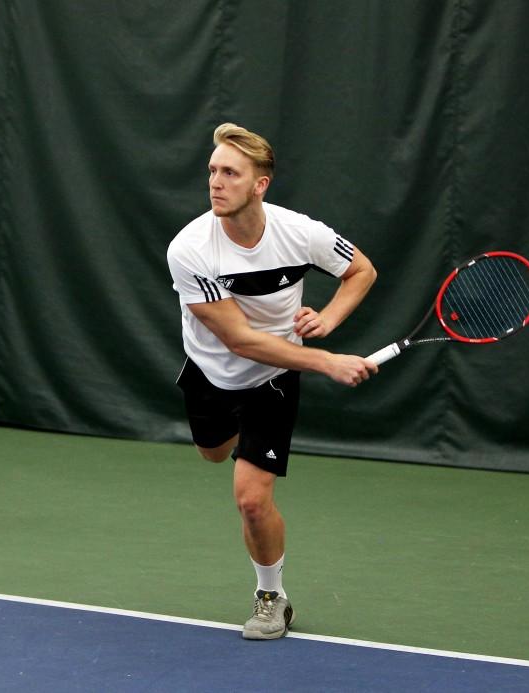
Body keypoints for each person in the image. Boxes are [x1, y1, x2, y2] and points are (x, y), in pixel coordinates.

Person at [166, 123, 378, 640]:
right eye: (213, 170)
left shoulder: (300, 232)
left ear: (260, 184)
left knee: (251, 499)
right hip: (211, 371)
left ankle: (271, 596)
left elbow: (362, 271)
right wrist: (328, 360)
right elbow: (240, 340)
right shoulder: (190, 248)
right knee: (214, 454)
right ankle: (242, 445)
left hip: (275, 379)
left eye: (230, 173)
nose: (216, 181)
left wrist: (327, 320)